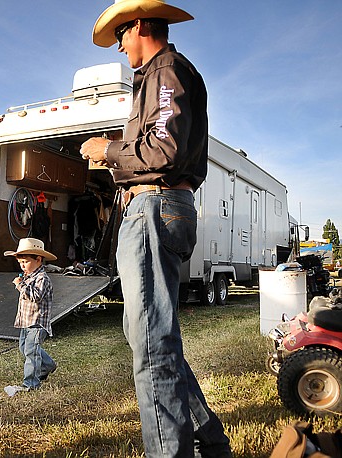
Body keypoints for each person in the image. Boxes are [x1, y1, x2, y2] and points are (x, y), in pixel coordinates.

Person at [80, 1, 232, 456]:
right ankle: (209, 438)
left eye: (122, 34)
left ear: (141, 25)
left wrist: (108, 150)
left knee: (151, 342)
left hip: (156, 204)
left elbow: (162, 150)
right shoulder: (159, 76)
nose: (120, 44)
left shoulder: (166, 70)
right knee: (147, 333)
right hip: (157, 204)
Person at [3, 238, 57, 396]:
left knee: (31, 352)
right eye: (20, 262)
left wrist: (20, 284)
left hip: (37, 323)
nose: (22, 265)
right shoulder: (29, 276)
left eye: (25, 262)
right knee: (24, 348)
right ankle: (48, 365)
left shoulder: (42, 279)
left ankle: (31, 383)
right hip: (26, 321)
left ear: (38, 259)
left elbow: (35, 296)